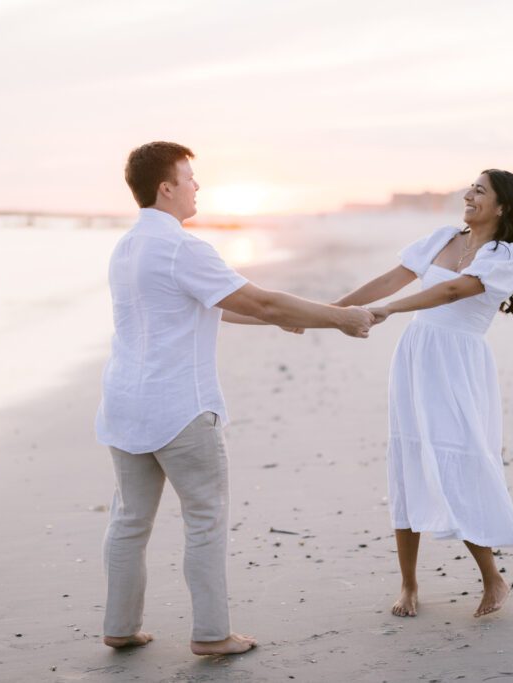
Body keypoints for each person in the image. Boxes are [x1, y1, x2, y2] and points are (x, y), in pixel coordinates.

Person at [95, 141, 374, 656]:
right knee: (204, 517)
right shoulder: (184, 248)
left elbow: (210, 306)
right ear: (166, 187)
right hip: (180, 407)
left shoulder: (127, 247)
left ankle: (119, 625)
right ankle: (211, 634)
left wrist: (284, 318)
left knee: (130, 519)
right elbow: (260, 299)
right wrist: (341, 317)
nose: (197, 185)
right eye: (189, 177)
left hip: (124, 404)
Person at [333, 169, 513, 619]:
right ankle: (409, 584)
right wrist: (331, 312)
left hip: (457, 364)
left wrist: (389, 310)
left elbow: (453, 291)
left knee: (459, 462)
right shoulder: (442, 237)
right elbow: (392, 279)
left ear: (502, 205)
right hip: (416, 356)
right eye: (470, 187)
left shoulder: (505, 255)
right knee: (408, 458)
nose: (468, 195)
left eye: (480, 191)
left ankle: (493, 577)